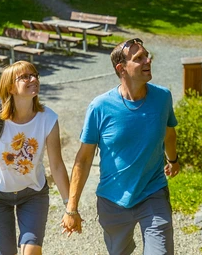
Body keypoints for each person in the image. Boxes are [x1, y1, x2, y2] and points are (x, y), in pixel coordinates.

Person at [61, 38, 180, 255]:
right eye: (139, 58)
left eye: (147, 55)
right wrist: (72, 208)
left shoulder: (162, 97)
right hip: (112, 199)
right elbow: (84, 159)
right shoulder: (100, 107)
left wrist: (173, 160)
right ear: (121, 68)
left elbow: (168, 133)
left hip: (152, 192)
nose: (148, 60)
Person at [0, 61, 71, 255]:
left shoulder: (48, 118)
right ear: (10, 87)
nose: (33, 79)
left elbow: (57, 164)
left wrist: (69, 205)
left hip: (33, 194)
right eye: (25, 77)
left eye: (35, 75)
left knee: (32, 251)